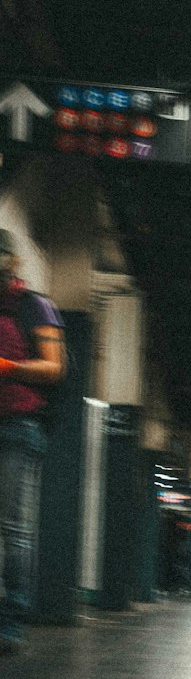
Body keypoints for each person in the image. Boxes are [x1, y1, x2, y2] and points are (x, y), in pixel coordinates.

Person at [0, 229, 66, 653]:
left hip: (19, 426)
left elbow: (53, 367)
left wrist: (8, 366)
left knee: (11, 526)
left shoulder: (35, 306)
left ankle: (11, 622)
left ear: (13, 263)